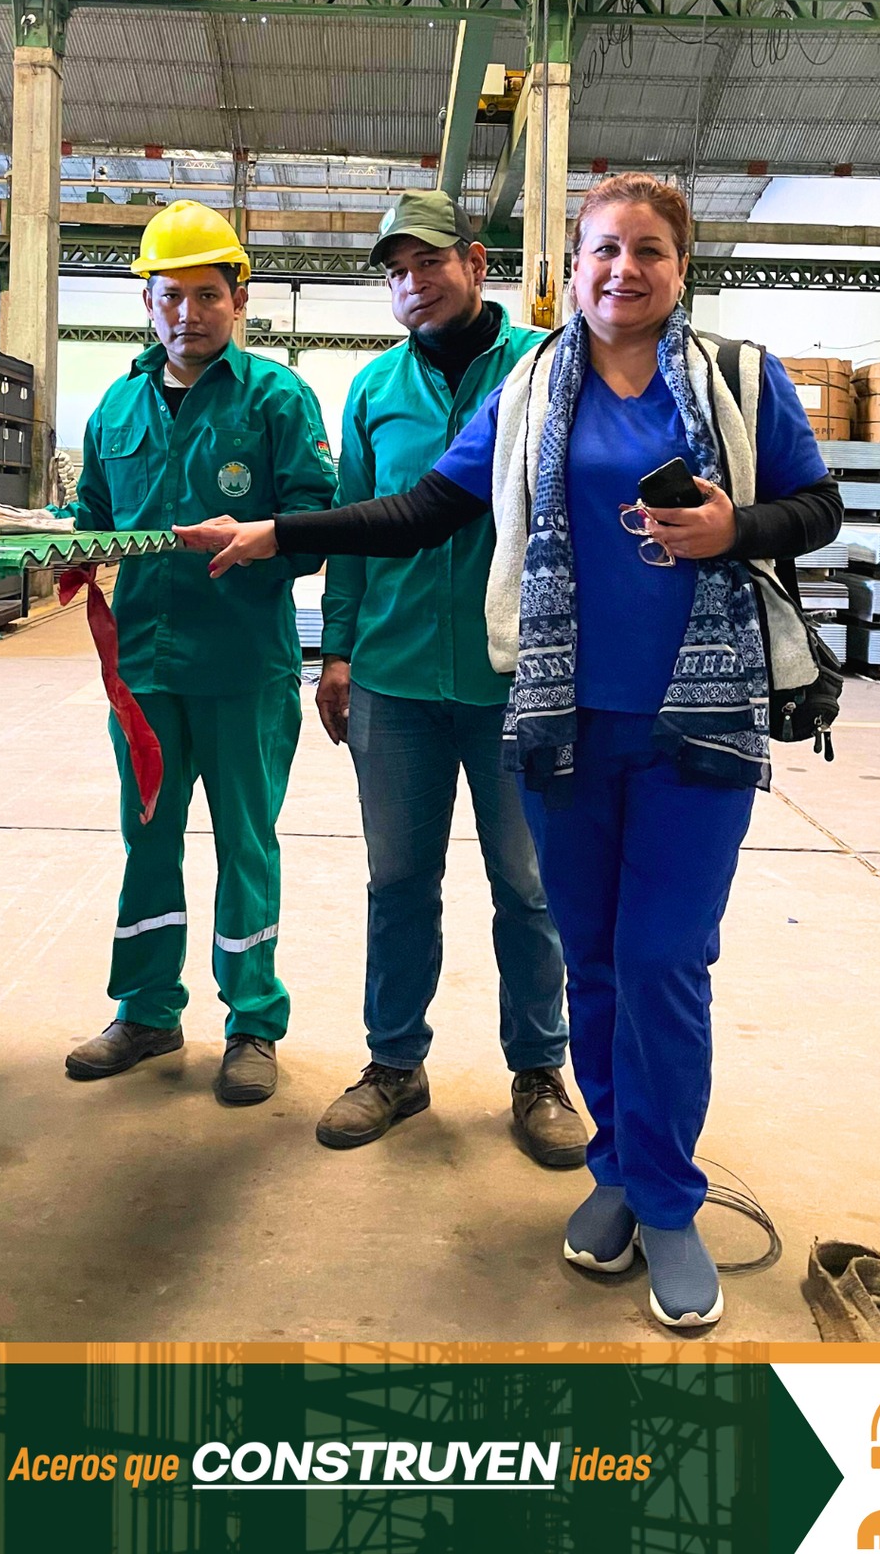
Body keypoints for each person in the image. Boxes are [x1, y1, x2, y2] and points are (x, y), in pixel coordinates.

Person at [176, 173, 842, 1328]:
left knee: (663, 962)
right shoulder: (532, 390)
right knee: (595, 961)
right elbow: (425, 509)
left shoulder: (737, 376)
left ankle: (668, 1201)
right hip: (562, 724)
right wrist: (278, 531)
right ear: (571, 267)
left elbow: (817, 505)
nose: (623, 269)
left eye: (648, 249)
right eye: (602, 249)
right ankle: (618, 1171)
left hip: (696, 726)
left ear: (680, 267)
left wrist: (737, 525)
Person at [310, 188, 584, 1165]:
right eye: (395, 271)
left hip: (517, 680)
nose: (412, 283)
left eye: (428, 261)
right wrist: (336, 649)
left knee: (530, 885)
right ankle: (394, 1064)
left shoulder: (547, 366)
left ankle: (540, 1070)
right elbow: (352, 526)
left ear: (475, 262)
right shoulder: (374, 389)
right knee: (397, 880)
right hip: (393, 676)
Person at [62, 200, 336, 1106]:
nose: (188, 313)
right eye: (171, 296)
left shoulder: (276, 399)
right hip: (142, 667)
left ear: (238, 299)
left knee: (245, 844)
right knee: (147, 841)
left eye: (207, 295)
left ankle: (252, 1022)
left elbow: (315, 523)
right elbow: (92, 518)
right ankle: (146, 1011)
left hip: (242, 666)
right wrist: (56, 544)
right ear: (147, 301)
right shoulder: (116, 406)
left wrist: (262, 541)